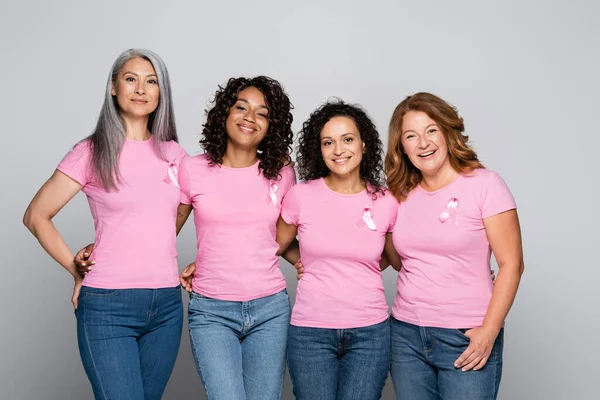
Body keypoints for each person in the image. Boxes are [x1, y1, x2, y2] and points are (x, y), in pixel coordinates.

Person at [23, 49, 189, 400]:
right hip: (107, 306)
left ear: (161, 93)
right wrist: (75, 268)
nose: (141, 89)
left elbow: (187, 210)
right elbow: (36, 215)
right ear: (114, 87)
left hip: (167, 306)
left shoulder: (175, 155)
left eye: (151, 81)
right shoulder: (91, 151)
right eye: (131, 79)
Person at [384, 92, 524, 400]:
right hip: (406, 336)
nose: (423, 143)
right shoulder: (399, 193)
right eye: (411, 135)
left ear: (448, 132)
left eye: (431, 130)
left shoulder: (485, 184)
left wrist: (488, 332)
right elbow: (393, 259)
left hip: (466, 335)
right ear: (402, 147)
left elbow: (512, 264)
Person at [178, 76, 296, 400]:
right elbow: (161, 232)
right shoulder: (192, 168)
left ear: (271, 125)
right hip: (211, 312)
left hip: (270, 309)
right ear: (225, 114)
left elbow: (279, 237)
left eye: (262, 112)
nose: (249, 117)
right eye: (241, 107)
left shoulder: (283, 174)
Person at [276, 100, 397, 400]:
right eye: (328, 142)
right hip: (310, 333)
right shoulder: (301, 196)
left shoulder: (386, 201)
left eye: (347, 140)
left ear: (364, 144)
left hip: (370, 334)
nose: (338, 150)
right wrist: (299, 260)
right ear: (319, 149)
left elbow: (397, 257)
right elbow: (272, 243)